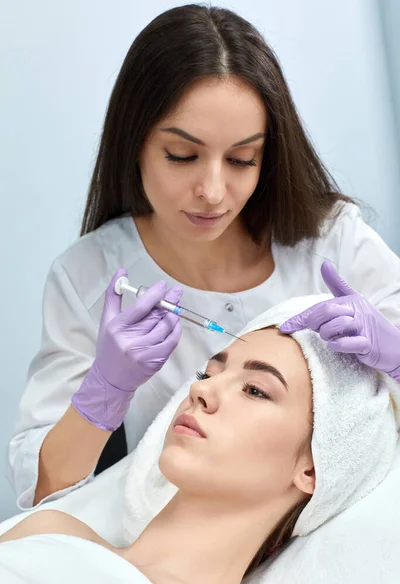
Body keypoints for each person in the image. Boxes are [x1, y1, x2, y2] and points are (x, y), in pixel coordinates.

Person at [7, 4, 400, 510]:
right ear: (135, 144)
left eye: (242, 160)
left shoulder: (333, 242)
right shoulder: (91, 275)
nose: (213, 191)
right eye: (182, 155)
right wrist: (104, 393)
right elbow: (43, 491)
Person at [1, 301, 397, 584]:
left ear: (313, 468)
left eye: (256, 390)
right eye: (207, 373)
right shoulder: (48, 529)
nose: (201, 390)